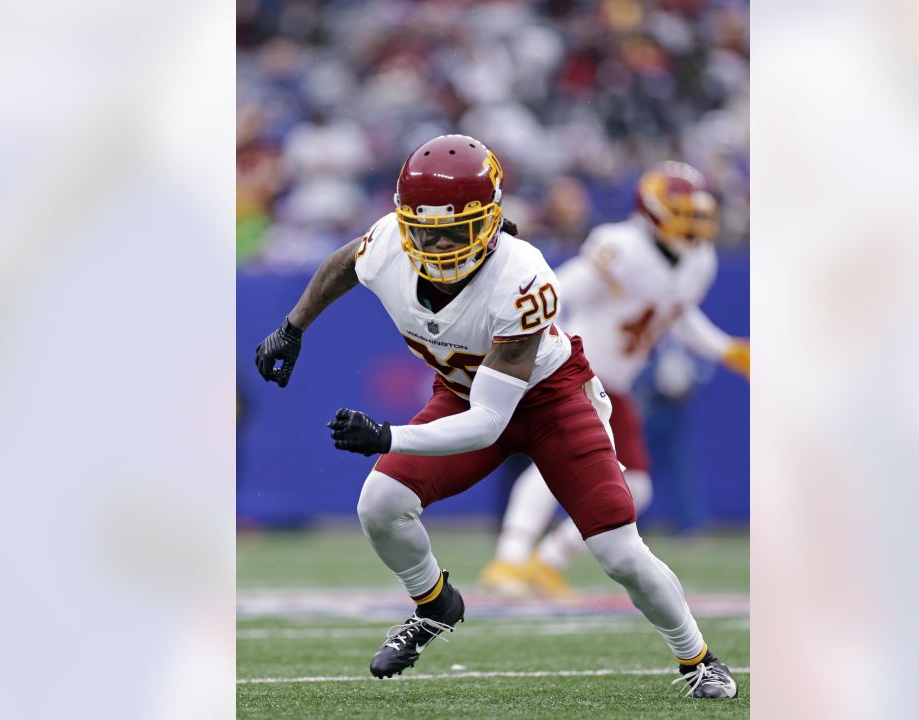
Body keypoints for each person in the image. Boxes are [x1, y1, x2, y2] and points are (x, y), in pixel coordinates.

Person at [254, 136, 737, 699]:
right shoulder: (388, 242)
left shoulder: (523, 276)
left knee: (617, 549)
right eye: (423, 229)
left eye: (455, 230)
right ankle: (433, 603)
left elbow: (490, 422)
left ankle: (698, 658)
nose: (436, 245)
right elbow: (345, 262)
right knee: (380, 505)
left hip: (551, 400)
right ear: (401, 218)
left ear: (491, 221)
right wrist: (294, 326)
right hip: (462, 390)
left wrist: (388, 435)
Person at [479, 161, 750, 599]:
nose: (694, 225)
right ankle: (510, 558)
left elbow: (677, 316)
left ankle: (546, 563)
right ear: (653, 211)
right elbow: (556, 293)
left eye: (698, 215)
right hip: (578, 370)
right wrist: (548, 354)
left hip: (615, 386)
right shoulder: (621, 247)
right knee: (556, 468)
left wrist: (724, 349)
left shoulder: (699, 262)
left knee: (636, 485)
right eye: (684, 213)